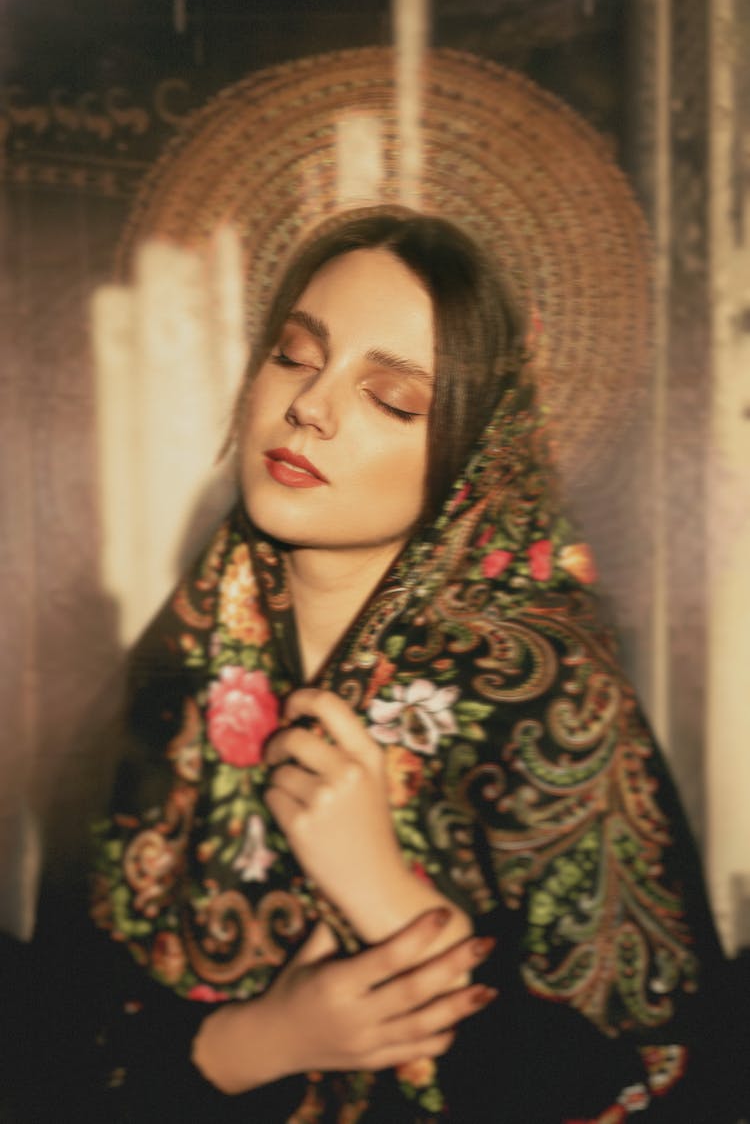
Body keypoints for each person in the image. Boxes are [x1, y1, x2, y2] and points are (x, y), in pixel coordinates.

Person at [83, 207, 733, 1122]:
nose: (311, 404)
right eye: (296, 355)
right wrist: (253, 1041)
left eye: (393, 397)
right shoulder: (179, 660)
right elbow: (55, 1034)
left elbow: (662, 1079)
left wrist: (386, 895)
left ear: (477, 452)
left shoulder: (549, 695)